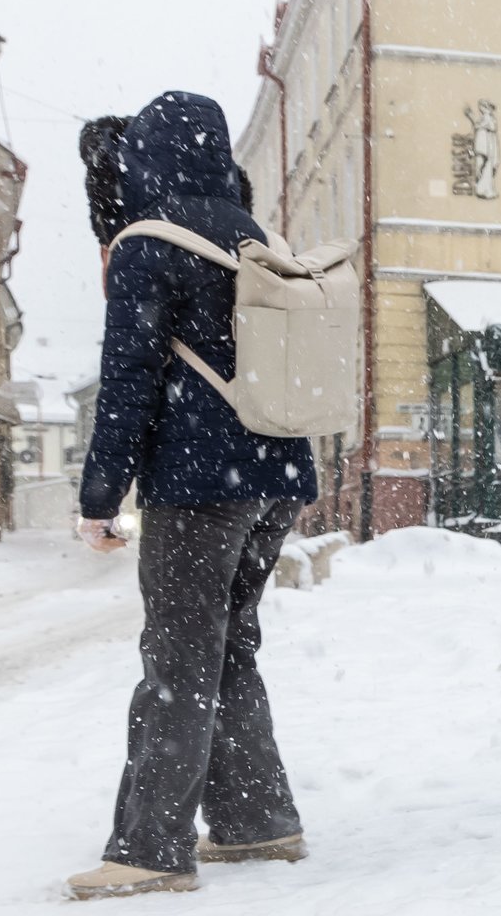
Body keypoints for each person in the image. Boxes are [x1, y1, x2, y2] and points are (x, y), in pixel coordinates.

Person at [66, 92, 318, 900]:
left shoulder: (151, 240)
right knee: (229, 644)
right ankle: (255, 819)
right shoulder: (257, 236)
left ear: (145, 157)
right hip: (276, 475)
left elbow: (128, 382)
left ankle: (151, 848)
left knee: (178, 656)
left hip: (199, 479)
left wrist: (100, 495)